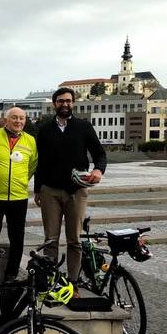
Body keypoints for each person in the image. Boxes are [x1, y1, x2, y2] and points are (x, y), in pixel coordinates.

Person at [33, 87, 107, 280]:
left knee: (75, 240)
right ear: (54, 104)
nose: (65, 104)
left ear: (73, 103)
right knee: (51, 240)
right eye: (60, 101)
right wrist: (38, 189)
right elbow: (39, 161)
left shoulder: (83, 127)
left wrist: (99, 169)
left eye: (68, 101)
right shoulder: (45, 130)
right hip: (50, 191)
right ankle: (51, 282)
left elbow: (100, 153)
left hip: (76, 191)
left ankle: (73, 282)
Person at [0, 107, 37, 281]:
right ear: (6, 120)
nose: (19, 121)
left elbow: (32, 165)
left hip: (19, 197)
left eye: (22, 118)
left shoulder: (30, 141)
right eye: (15, 118)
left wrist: (22, 181)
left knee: (17, 238)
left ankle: (11, 275)